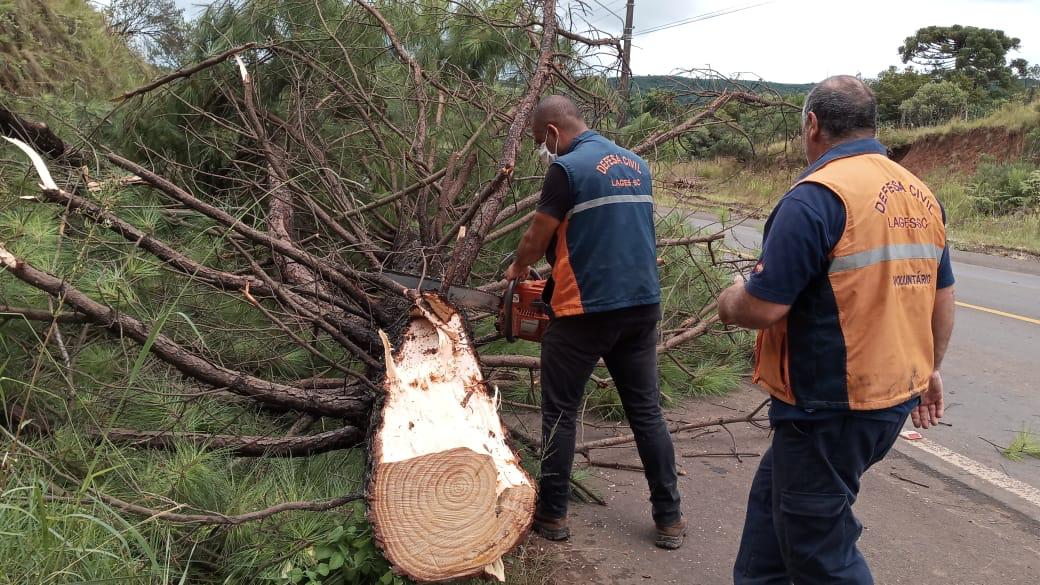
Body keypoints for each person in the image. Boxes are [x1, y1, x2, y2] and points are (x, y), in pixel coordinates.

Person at [718, 75, 956, 584]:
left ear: (812, 124)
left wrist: (729, 301)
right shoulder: (919, 193)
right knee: (772, 521)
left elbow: (762, 307)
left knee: (819, 552)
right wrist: (930, 369)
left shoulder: (817, 198)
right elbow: (941, 293)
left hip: (831, 409)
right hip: (887, 399)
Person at [503, 95, 685, 549]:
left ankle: (552, 514)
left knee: (560, 414)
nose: (543, 151)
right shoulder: (637, 164)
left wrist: (518, 269)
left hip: (587, 312)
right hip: (642, 306)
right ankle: (669, 518)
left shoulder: (566, 169)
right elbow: (609, 235)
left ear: (550, 133)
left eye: (539, 143)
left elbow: (535, 235)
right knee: (646, 413)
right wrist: (557, 268)